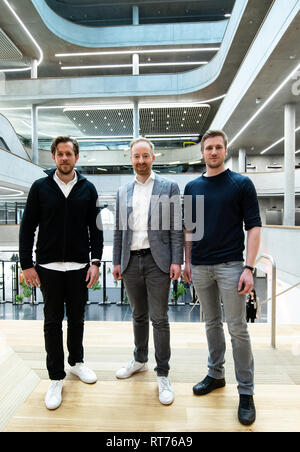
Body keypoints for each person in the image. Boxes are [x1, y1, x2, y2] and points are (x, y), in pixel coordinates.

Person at [183, 129, 261, 426]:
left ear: (224, 150)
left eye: (218, 147)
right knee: (211, 323)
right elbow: (189, 229)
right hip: (200, 267)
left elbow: (253, 227)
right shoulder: (192, 186)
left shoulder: (241, 184)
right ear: (202, 152)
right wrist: (188, 262)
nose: (213, 152)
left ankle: (246, 392)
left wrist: (249, 268)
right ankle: (216, 374)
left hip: (231, 266)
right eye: (208, 148)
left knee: (237, 329)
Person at [19, 136, 103, 410]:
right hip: (49, 268)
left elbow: (96, 228)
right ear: (53, 157)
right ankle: (56, 376)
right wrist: (26, 264)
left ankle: (76, 362)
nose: (64, 158)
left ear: (76, 157)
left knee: (77, 318)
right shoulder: (40, 187)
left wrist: (96, 262)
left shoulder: (88, 189)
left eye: (69, 154)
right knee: (52, 322)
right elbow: (27, 227)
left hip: (80, 267)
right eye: (60, 154)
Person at [113, 137, 183, 405]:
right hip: (131, 261)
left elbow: (176, 227)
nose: (141, 161)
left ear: (154, 157)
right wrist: (116, 261)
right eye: (136, 156)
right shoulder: (123, 191)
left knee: (160, 318)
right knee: (138, 315)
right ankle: (140, 359)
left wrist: (178, 260)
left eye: (145, 156)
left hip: (158, 262)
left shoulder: (168, 187)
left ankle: (163, 373)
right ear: (130, 159)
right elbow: (119, 230)